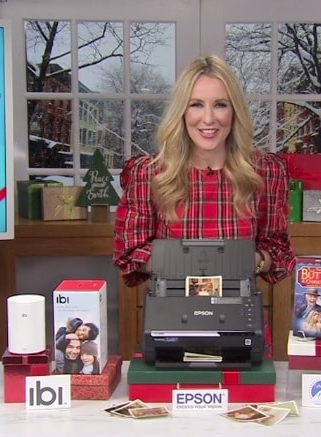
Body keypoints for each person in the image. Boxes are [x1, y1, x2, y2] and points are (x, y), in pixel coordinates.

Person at [112, 56, 296, 354]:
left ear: (234, 111)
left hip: (241, 326)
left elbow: (279, 250)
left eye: (220, 104)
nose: (208, 119)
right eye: (196, 104)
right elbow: (129, 255)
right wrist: (191, 264)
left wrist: (251, 261)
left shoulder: (265, 172)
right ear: (181, 112)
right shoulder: (149, 174)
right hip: (170, 326)